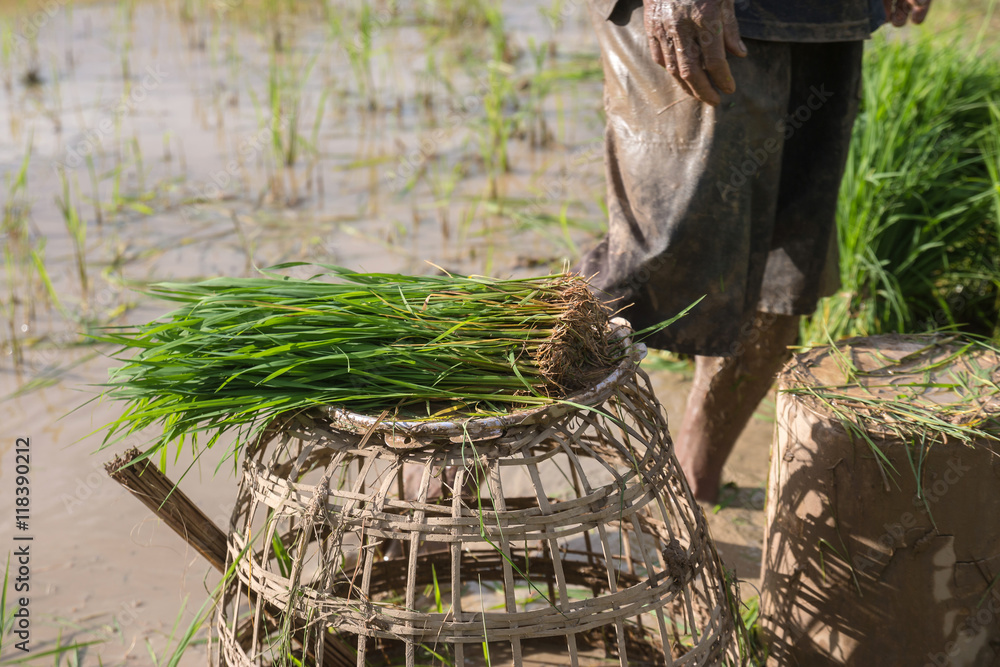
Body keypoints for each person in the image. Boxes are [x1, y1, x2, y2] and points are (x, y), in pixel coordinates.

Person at [580, 0, 931, 502]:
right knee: (643, 266)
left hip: (823, 18)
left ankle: (690, 486)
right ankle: (449, 464)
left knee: (780, 278)